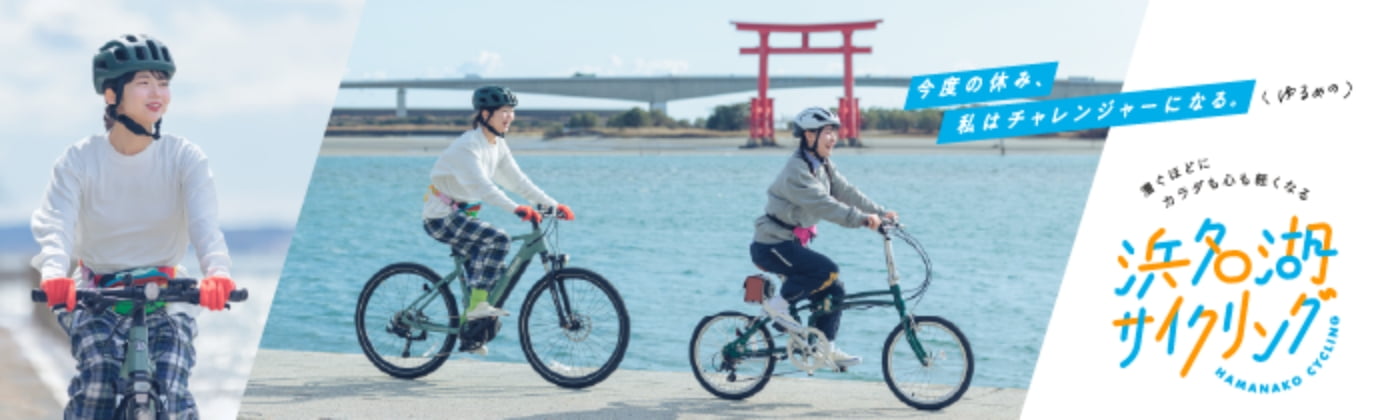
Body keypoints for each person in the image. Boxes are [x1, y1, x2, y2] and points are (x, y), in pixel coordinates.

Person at [32, 33, 238, 419]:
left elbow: (205, 226)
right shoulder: (79, 160)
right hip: (97, 293)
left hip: (166, 291)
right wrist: (54, 274)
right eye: (143, 82)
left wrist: (218, 273)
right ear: (112, 94)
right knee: (97, 382)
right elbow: (56, 224)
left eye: (163, 82)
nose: (157, 92)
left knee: (172, 389)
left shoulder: (184, 157)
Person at [422, 85, 573, 352]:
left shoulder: (497, 145)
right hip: (441, 216)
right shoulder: (467, 146)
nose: (510, 117)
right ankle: (477, 308)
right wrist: (516, 209)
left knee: (495, 273)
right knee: (498, 240)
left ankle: (471, 334)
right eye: (504, 111)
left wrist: (552, 205)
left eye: (512, 112)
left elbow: (518, 181)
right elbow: (483, 187)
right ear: (485, 114)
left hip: (463, 215)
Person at [749, 106, 898, 367]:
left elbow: (846, 192)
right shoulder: (797, 171)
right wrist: (862, 220)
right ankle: (776, 307)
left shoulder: (823, 165)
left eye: (834, 132)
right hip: (771, 245)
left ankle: (823, 347)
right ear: (809, 135)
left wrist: (880, 212)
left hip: (791, 244)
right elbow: (825, 205)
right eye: (827, 132)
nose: (833, 138)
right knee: (826, 269)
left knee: (835, 289)